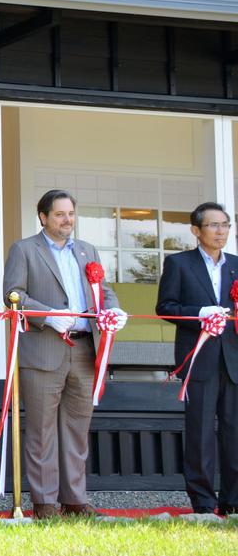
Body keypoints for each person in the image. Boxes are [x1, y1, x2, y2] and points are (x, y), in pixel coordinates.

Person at [2, 189, 125, 519]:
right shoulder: (25, 249)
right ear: (43, 217)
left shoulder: (87, 250)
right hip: (44, 350)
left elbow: (104, 291)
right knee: (42, 431)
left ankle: (75, 499)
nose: (67, 220)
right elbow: (13, 294)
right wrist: (47, 314)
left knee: (76, 430)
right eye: (59, 214)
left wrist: (114, 310)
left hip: (85, 350)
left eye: (71, 214)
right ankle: (44, 503)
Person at [156, 202, 238, 515]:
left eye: (226, 225)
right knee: (200, 432)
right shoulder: (179, 264)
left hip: (233, 360)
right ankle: (203, 501)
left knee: (234, 432)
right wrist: (200, 314)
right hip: (199, 358)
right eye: (214, 225)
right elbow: (165, 307)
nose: (221, 231)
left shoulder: (236, 264)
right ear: (196, 230)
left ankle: (233, 500)